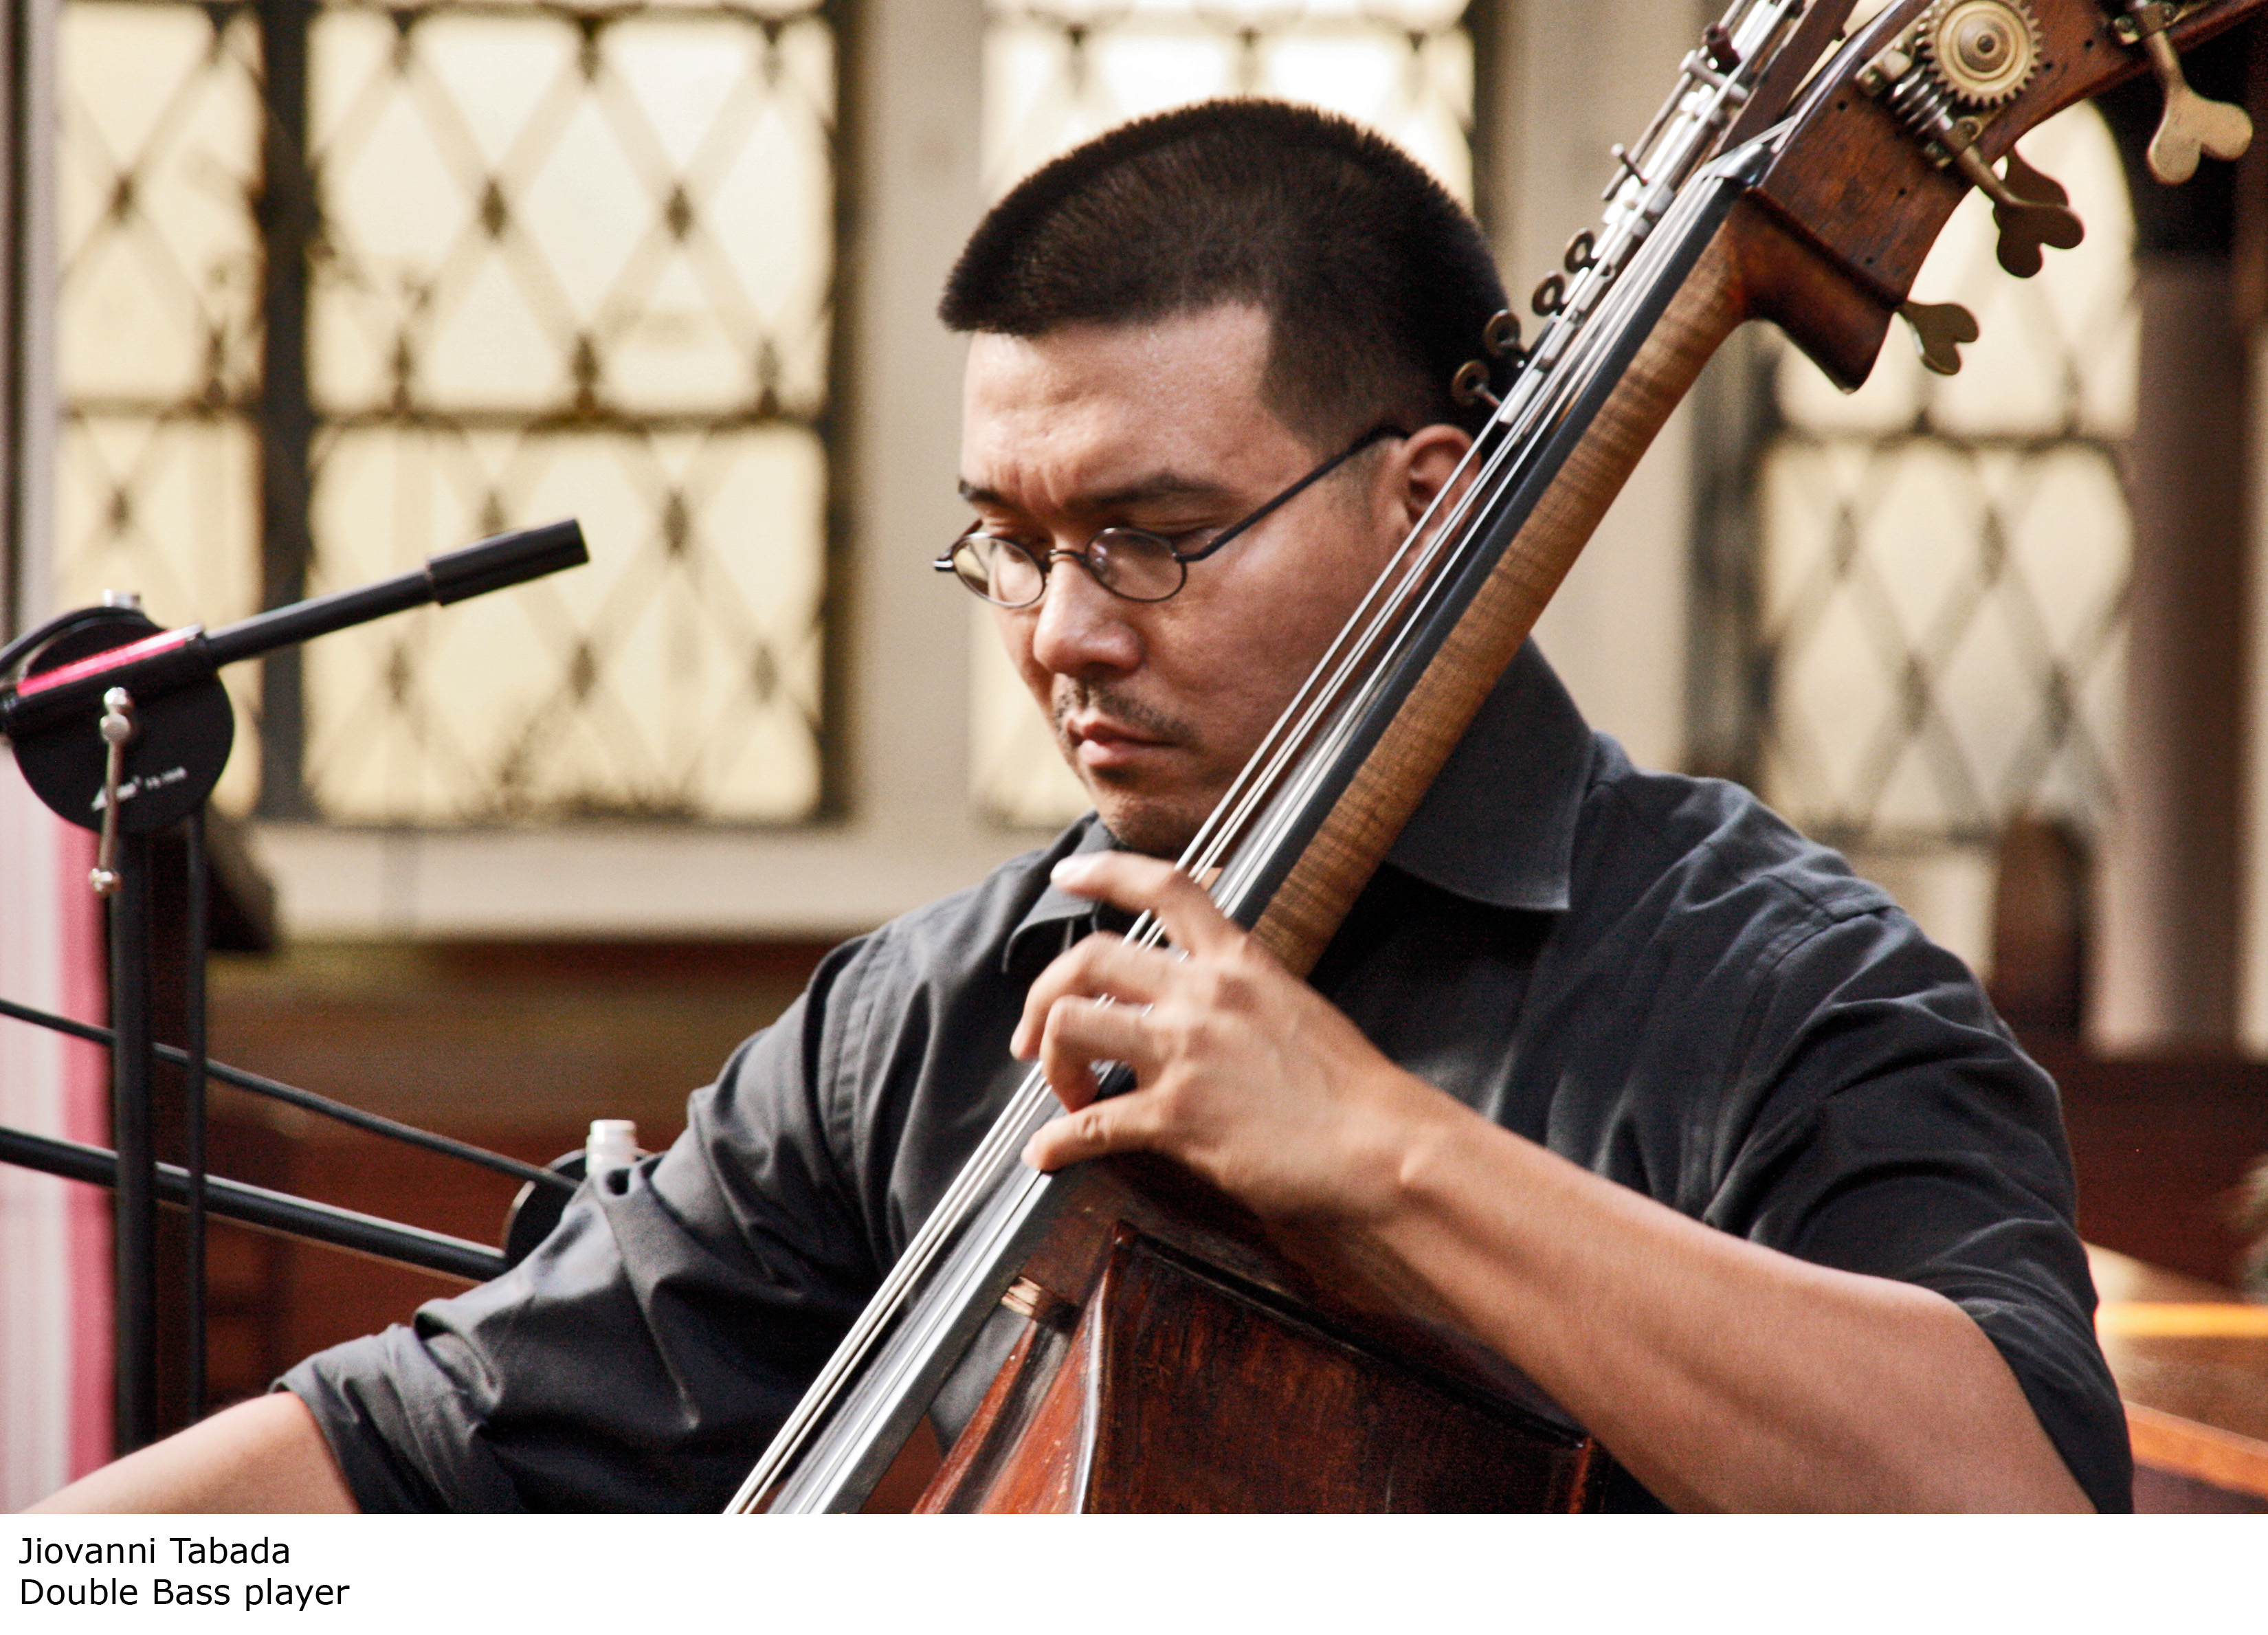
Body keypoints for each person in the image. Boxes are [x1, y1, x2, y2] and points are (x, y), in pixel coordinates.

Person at [32, 99, 2128, 1515]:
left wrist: (1381, 1148)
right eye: (1012, 543)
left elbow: (2025, 1531)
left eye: (1150, 534)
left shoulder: (1778, 987)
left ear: (1425, 505)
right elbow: (408, 1450)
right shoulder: (930, 1013)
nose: (1058, 632)